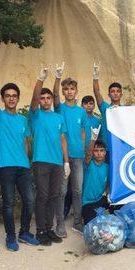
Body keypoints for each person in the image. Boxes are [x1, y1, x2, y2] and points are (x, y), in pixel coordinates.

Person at [0, 60, 38, 251]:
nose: (11, 98)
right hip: (5, 165)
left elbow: (25, 143)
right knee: (8, 203)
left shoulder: (23, 120)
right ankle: (10, 237)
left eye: (14, 96)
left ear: (18, 98)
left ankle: (24, 232)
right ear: (3, 98)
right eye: (7, 96)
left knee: (29, 201)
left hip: (23, 166)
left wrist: (28, 161)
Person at [29, 67, 70, 246]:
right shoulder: (35, 115)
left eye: (48, 98)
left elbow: (63, 140)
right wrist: (40, 79)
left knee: (55, 196)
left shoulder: (58, 117)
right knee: (42, 196)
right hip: (41, 161)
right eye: (42, 98)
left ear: (52, 99)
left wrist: (66, 161)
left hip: (57, 163)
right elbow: (33, 100)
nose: (45, 100)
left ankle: (50, 229)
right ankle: (40, 231)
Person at [53, 65, 87, 234]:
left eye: (72, 89)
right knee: (62, 191)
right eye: (66, 89)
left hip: (78, 157)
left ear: (76, 91)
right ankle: (59, 224)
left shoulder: (81, 112)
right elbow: (54, 96)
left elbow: (82, 133)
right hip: (63, 157)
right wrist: (57, 78)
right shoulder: (60, 108)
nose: (69, 91)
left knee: (78, 191)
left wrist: (84, 151)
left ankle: (77, 222)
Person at [92, 63, 123, 159]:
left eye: (118, 91)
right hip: (106, 149)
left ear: (121, 94)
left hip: (121, 148)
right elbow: (97, 93)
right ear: (109, 95)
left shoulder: (126, 110)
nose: (115, 93)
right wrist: (95, 77)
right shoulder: (105, 108)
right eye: (113, 91)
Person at [81, 133, 109, 225]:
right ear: (93, 152)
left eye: (102, 150)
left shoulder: (107, 167)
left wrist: (107, 193)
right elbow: (88, 155)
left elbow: (109, 184)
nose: (99, 153)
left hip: (101, 199)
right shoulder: (89, 164)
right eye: (96, 151)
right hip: (88, 202)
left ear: (105, 152)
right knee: (92, 225)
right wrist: (93, 139)